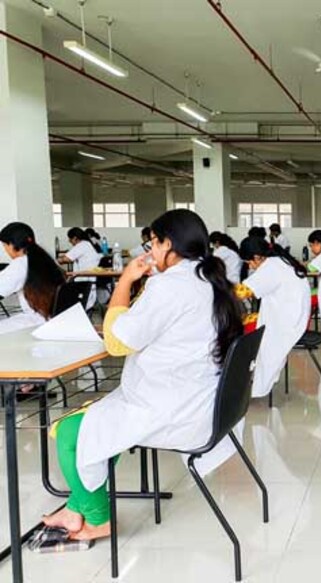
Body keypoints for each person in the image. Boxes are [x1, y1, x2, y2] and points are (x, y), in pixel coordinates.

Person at [43, 209, 244, 541]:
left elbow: (119, 343)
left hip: (168, 406)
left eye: (153, 242)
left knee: (69, 434)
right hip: (199, 400)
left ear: (169, 243)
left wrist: (125, 281)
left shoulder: (169, 287)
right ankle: (75, 507)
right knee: (102, 424)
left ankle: (97, 518)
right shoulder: (208, 280)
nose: (149, 250)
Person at [239, 236, 311, 397]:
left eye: (249, 262)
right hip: (294, 316)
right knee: (250, 320)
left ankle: (251, 386)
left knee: (243, 328)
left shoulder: (270, 267)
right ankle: (254, 378)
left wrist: (218, 289)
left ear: (257, 257)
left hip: (287, 321)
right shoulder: (280, 261)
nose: (250, 266)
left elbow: (244, 292)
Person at [0, 222, 65, 334]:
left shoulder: (20, 264)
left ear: (11, 245)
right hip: (57, 319)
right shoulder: (47, 259)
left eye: (4, 246)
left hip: (38, 323)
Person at [58, 227, 101, 308]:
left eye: (70, 240)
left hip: (82, 284)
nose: (70, 242)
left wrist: (56, 260)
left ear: (75, 238)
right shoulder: (87, 244)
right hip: (89, 283)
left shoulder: (81, 245)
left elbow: (66, 259)